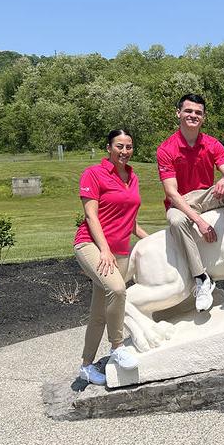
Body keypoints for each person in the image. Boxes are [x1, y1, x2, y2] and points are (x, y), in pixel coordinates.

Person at [157, 93, 224, 313]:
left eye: (198, 113)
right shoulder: (166, 149)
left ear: (203, 117)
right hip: (182, 202)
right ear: (179, 113)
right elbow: (171, 194)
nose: (193, 115)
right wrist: (200, 223)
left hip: (205, 196)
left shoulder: (212, 144)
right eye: (188, 111)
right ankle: (202, 279)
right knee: (175, 220)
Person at [74, 130, 147, 385]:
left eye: (128, 146)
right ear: (108, 147)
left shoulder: (133, 176)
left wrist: (151, 239)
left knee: (99, 314)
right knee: (117, 290)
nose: (124, 151)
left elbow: (131, 220)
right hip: (91, 245)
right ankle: (117, 347)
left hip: (120, 251)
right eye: (119, 146)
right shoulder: (93, 174)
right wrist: (104, 249)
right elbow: (91, 216)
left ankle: (86, 366)